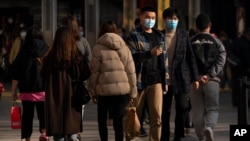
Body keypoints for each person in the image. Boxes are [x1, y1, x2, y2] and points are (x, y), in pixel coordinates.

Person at [88, 20, 137, 141]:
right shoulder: (124, 47)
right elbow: (131, 71)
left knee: (102, 120)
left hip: (104, 91)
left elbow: (94, 72)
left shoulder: (97, 48)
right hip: (121, 91)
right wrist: (133, 92)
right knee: (118, 121)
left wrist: (92, 90)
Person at [126, 5, 169, 141]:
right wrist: (149, 53)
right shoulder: (134, 35)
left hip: (156, 81)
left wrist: (166, 80)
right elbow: (131, 57)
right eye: (147, 17)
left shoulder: (159, 36)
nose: (150, 20)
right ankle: (130, 138)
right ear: (141, 17)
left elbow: (164, 59)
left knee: (157, 117)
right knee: (134, 116)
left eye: (153, 18)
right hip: (139, 81)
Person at [160, 7, 199, 141]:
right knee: (164, 110)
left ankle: (178, 135)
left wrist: (195, 78)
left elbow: (190, 56)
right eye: (170, 18)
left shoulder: (184, 35)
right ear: (164, 19)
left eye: (175, 19)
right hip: (164, 79)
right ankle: (164, 136)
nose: (172, 21)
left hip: (181, 77)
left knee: (182, 108)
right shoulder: (159, 35)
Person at [41, 26, 86, 141]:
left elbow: (41, 75)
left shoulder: (49, 57)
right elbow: (86, 73)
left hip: (54, 100)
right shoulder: (76, 56)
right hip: (72, 98)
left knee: (58, 134)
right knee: (72, 133)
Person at [190, 14, 226, 141]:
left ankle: (201, 137)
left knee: (197, 111)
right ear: (209, 25)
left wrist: (196, 76)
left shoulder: (191, 41)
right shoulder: (217, 42)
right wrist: (210, 74)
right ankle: (209, 128)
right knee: (212, 108)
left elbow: (188, 61)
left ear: (196, 26)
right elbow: (222, 59)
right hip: (212, 81)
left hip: (195, 82)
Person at [11, 25, 49, 141]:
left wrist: (13, 90)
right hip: (43, 90)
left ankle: (27, 138)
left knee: (27, 116)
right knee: (43, 115)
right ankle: (44, 134)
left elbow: (16, 72)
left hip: (27, 91)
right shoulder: (47, 50)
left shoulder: (23, 50)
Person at [61, 15, 92, 141]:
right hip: (79, 81)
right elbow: (89, 60)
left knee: (64, 106)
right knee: (79, 106)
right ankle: (76, 131)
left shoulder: (60, 41)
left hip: (63, 81)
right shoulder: (83, 41)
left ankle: (65, 130)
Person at [230, 28, 250, 106]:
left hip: (235, 67)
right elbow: (247, 57)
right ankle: (244, 101)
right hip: (243, 68)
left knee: (236, 86)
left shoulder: (236, 41)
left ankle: (235, 101)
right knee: (244, 85)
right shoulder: (246, 44)